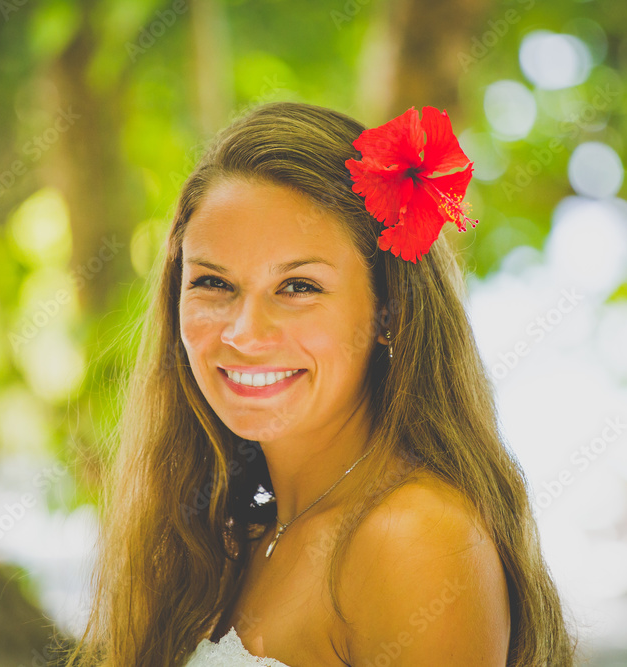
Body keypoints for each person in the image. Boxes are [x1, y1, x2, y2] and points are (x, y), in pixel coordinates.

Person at [62, 101, 576, 666]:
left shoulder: (414, 538)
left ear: (389, 311)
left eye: (299, 287)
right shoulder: (230, 542)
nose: (244, 333)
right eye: (213, 283)